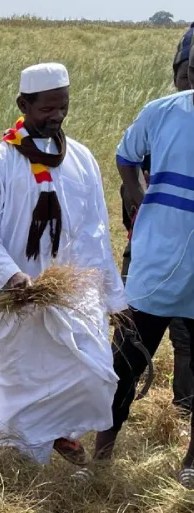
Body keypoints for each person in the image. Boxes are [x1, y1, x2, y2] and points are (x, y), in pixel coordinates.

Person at [0, 63, 126, 466]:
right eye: (46, 109)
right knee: (18, 374)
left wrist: (110, 296)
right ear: (23, 104)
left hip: (71, 292)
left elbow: (95, 230)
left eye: (63, 108)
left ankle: (63, 432)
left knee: (88, 368)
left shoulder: (82, 160)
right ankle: (19, 445)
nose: (55, 117)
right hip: (16, 294)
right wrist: (10, 275)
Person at [94, 41, 194, 486]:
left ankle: (191, 463)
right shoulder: (162, 111)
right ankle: (101, 455)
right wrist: (132, 190)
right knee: (126, 361)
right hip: (155, 264)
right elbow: (125, 155)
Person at [117, 23, 194, 416]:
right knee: (130, 348)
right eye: (186, 75)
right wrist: (143, 206)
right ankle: (104, 443)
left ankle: (182, 411)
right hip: (153, 252)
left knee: (187, 342)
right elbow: (127, 164)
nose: (188, 84)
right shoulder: (162, 116)